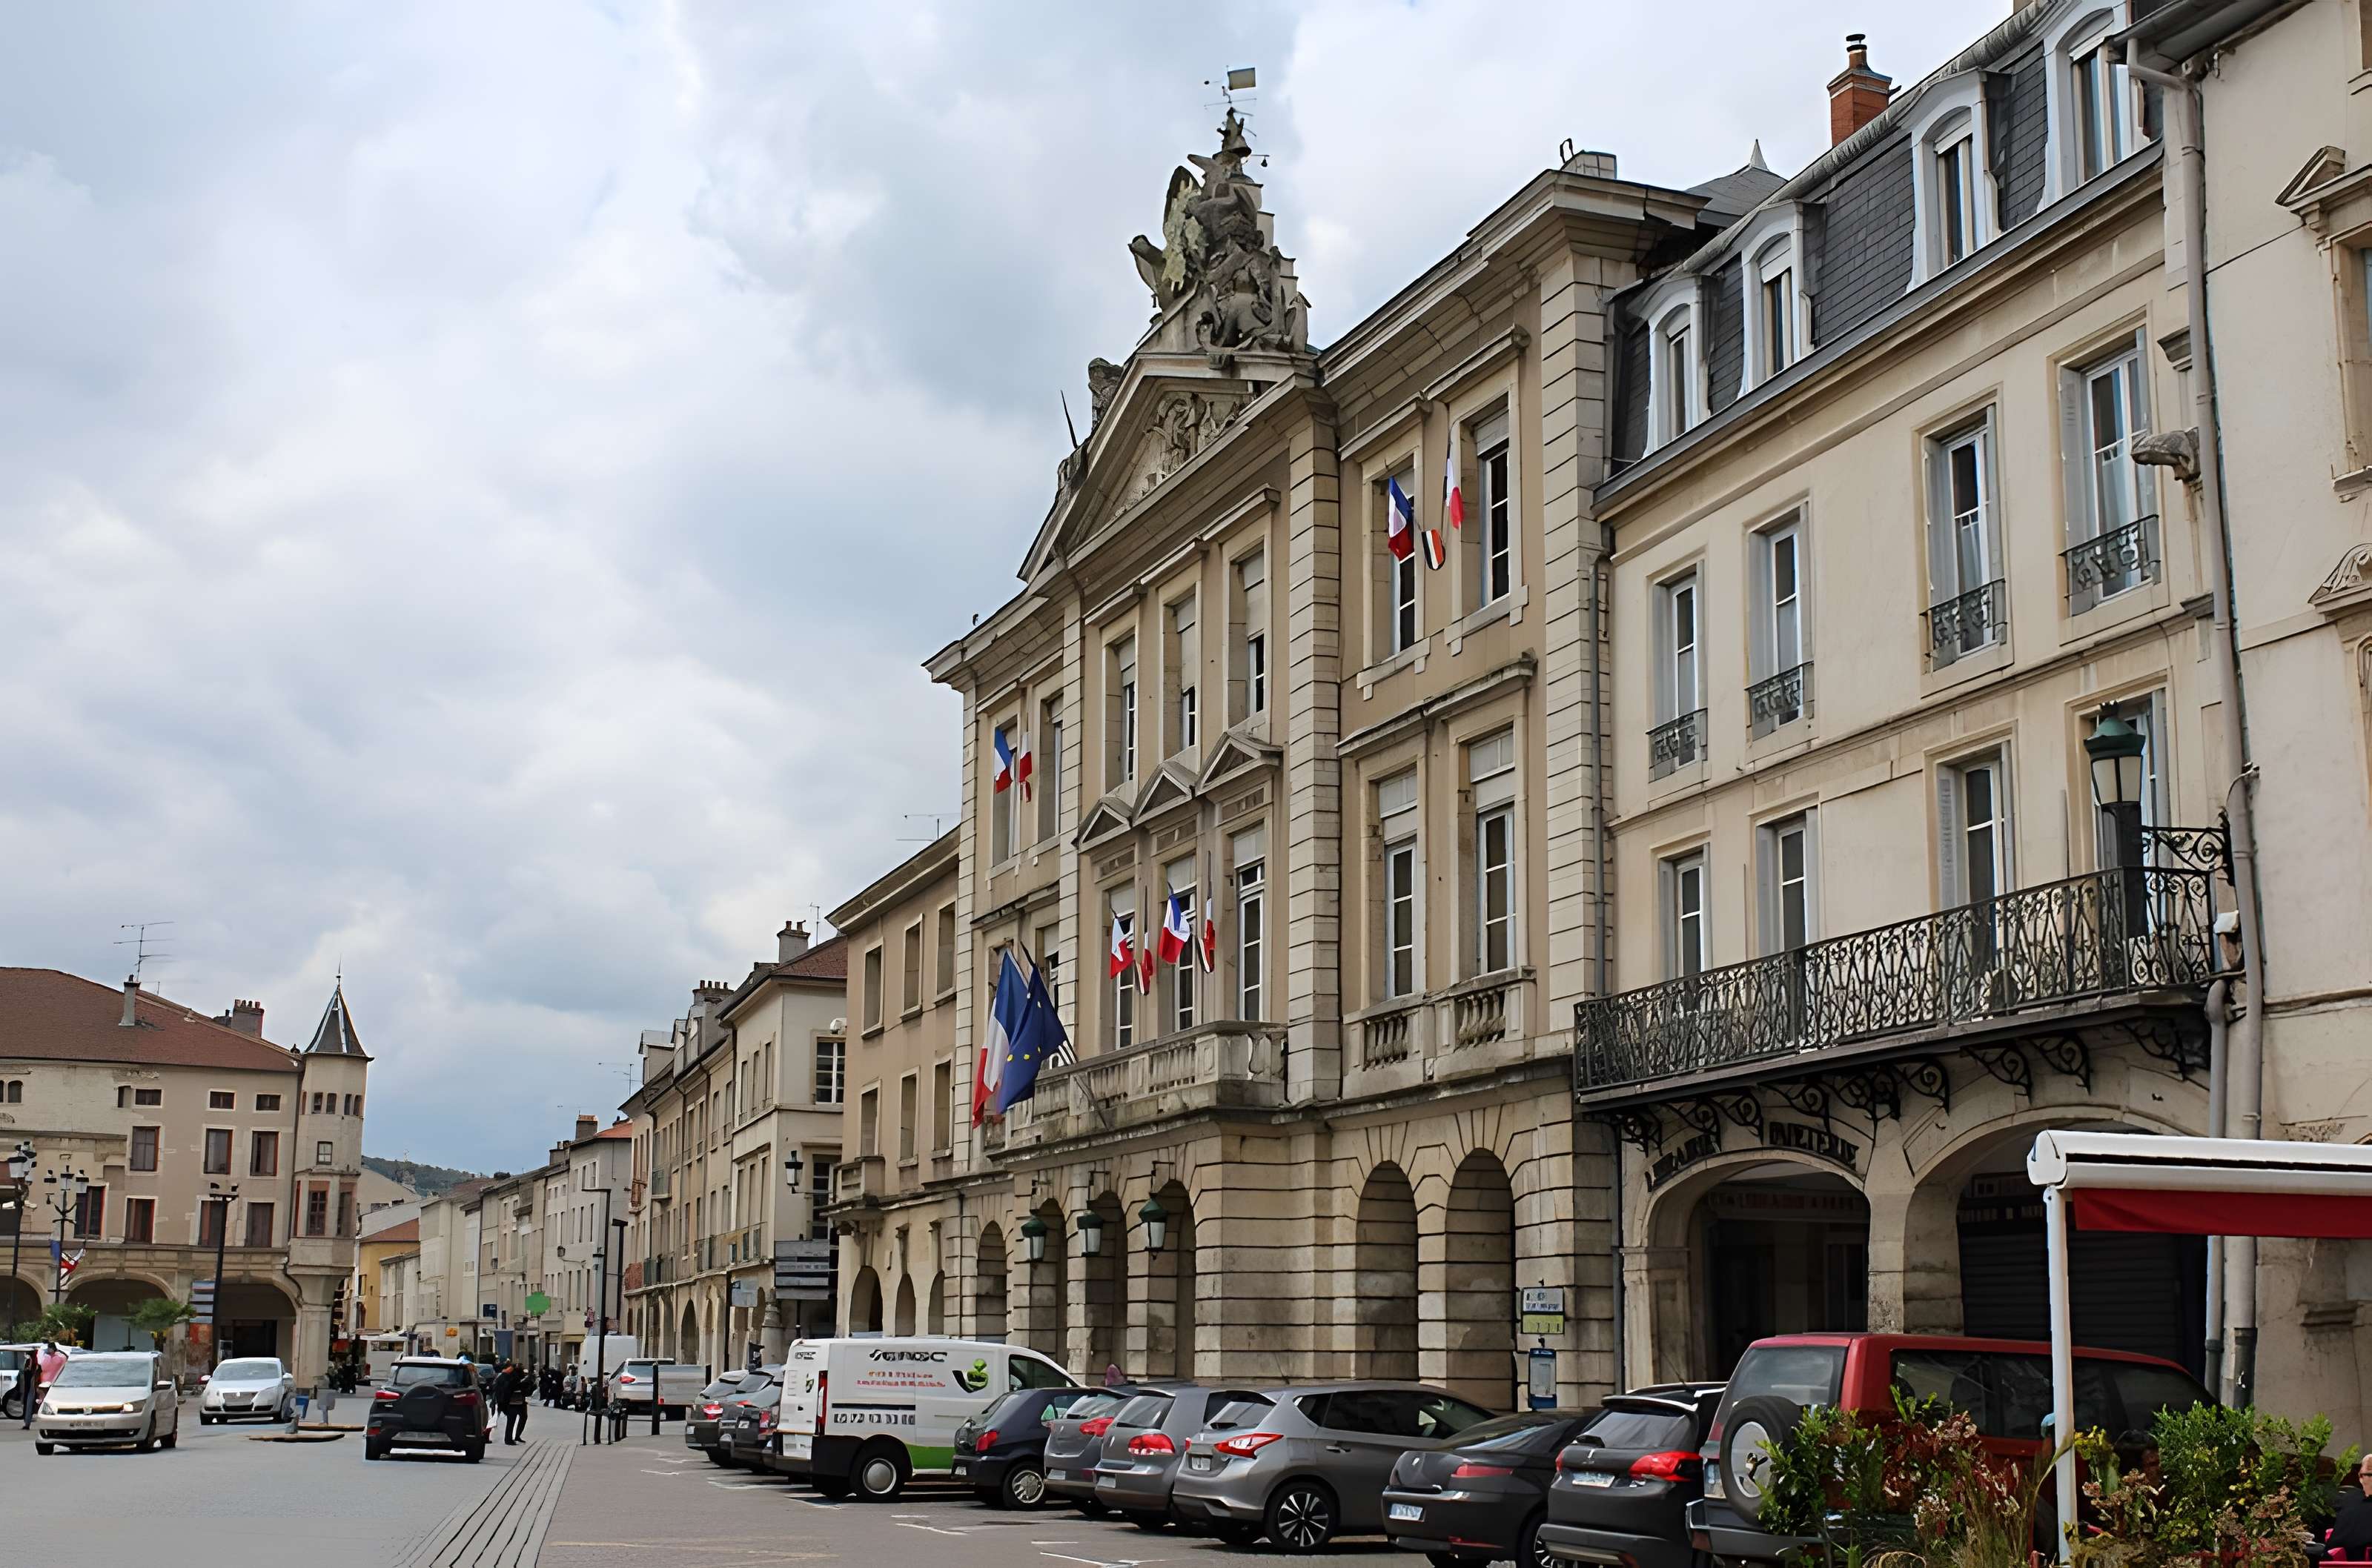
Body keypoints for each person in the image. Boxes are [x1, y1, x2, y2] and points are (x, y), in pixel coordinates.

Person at [496, 1359, 529, 1445]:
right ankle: (508, 1439)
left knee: (523, 1417)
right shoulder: (511, 1377)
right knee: (512, 1420)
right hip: (513, 1402)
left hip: (520, 1401)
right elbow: (510, 1388)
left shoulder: (511, 1376)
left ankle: (516, 1436)